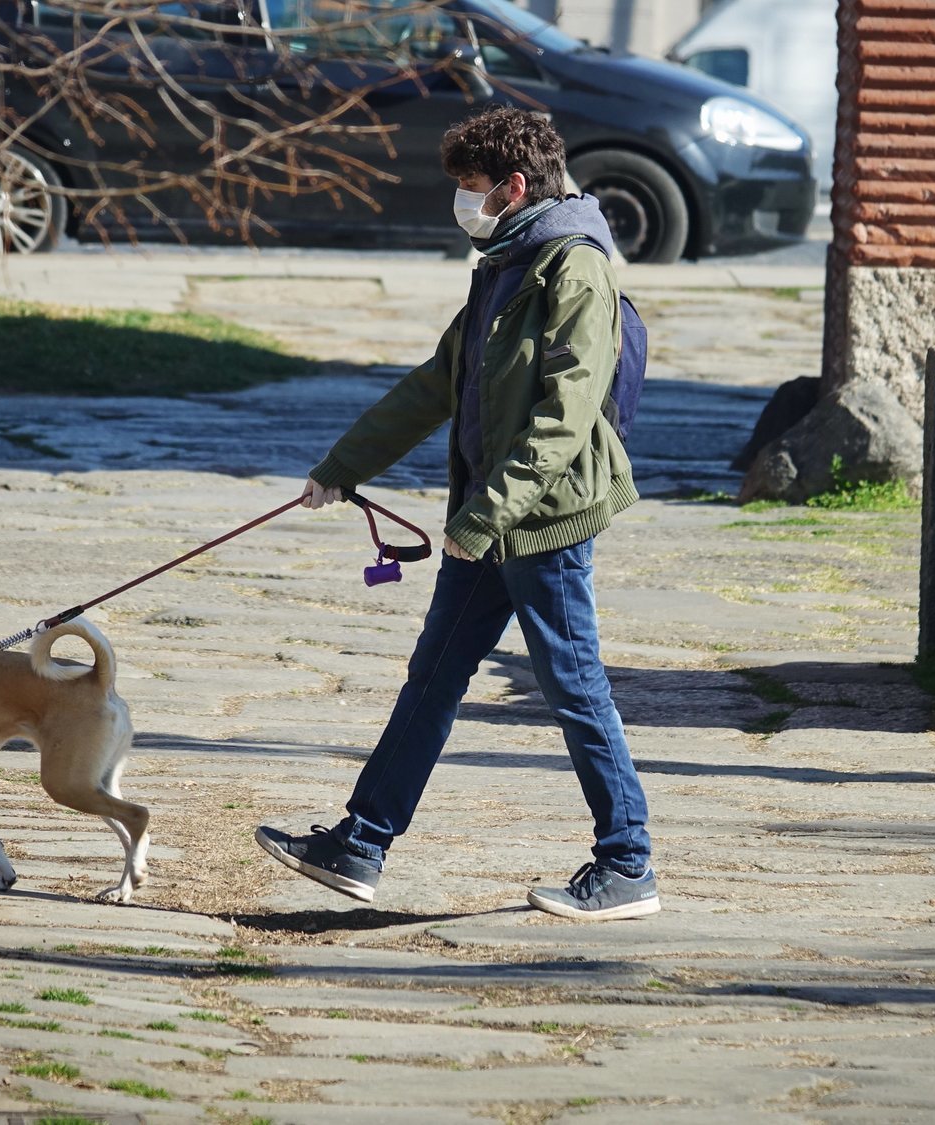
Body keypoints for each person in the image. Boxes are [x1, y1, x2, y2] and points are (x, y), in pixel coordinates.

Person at [254, 105, 658, 921]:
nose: (463, 204)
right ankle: (360, 843)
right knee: (432, 678)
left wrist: (487, 514)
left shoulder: (574, 269)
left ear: (515, 186)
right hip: (491, 521)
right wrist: (343, 467)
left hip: (545, 521)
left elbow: (564, 416)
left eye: (472, 189)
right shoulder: (505, 261)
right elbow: (436, 384)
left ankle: (628, 864)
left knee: (575, 687)